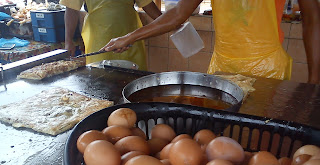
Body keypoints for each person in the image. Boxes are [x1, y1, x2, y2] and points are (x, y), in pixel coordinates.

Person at [101, 0, 320, 84]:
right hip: (223, 66)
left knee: (258, 146)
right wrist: (129, 37)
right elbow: (178, 13)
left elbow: (313, 19)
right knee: (222, 141)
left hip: (267, 71)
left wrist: (314, 81)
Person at [59, 0, 162, 71]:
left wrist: (169, 23)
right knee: (100, 76)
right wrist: (68, 41)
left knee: (135, 78)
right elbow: (71, 9)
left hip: (130, 34)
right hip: (98, 36)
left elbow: (147, 4)